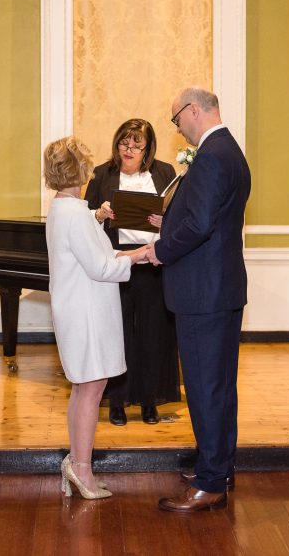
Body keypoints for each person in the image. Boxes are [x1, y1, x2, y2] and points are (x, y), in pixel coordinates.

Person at [144, 88, 251, 513]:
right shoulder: (231, 151)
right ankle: (218, 467)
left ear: (193, 111)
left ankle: (210, 483)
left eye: (176, 120)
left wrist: (161, 249)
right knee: (220, 386)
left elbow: (202, 223)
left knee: (207, 388)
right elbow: (207, 217)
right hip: (220, 288)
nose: (177, 128)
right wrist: (170, 221)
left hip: (202, 293)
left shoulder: (210, 155)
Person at [44, 136, 150, 500]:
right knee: (91, 390)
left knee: (83, 389)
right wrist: (139, 256)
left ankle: (77, 463)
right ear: (79, 169)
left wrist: (122, 241)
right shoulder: (74, 212)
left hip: (78, 305)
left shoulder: (64, 207)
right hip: (86, 310)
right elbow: (102, 266)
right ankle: (82, 469)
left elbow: (90, 245)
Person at [85, 118, 180, 426]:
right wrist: (100, 213)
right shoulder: (102, 174)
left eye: (136, 144)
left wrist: (163, 222)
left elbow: (179, 216)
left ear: (147, 148)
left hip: (153, 265)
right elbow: (84, 223)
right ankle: (117, 401)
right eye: (124, 142)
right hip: (117, 266)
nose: (129, 149)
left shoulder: (164, 173)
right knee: (119, 335)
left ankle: (150, 400)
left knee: (153, 335)